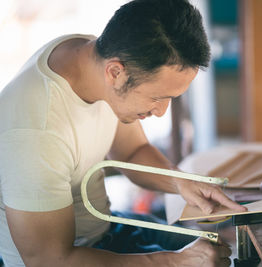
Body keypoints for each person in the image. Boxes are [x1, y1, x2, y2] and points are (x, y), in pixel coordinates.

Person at [0, 0, 247, 266]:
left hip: (105, 230)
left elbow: (132, 151)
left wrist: (180, 182)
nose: (161, 111)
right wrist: (174, 262)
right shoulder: (36, 133)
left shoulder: (89, 54)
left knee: (218, 247)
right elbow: (51, 260)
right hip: (73, 256)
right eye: (157, 97)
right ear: (115, 72)